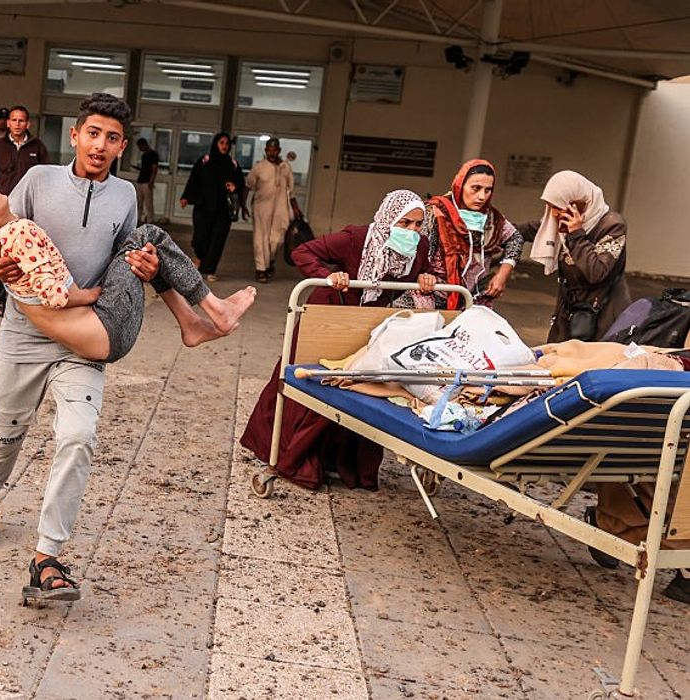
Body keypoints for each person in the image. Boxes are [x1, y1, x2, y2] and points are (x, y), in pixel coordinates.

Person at [0, 93, 161, 603]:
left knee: (79, 435)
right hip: (26, 332)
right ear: (75, 135)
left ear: (121, 147)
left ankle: (47, 556)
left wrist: (146, 269)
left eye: (112, 138)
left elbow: (123, 259)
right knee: (7, 430)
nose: (100, 145)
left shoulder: (125, 196)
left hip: (82, 333)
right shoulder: (39, 180)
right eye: (93, 133)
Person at [0, 131, 255, 362]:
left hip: (101, 333)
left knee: (143, 247)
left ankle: (192, 323)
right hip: (107, 327)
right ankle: (210, 311)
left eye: (112, 137)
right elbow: (57, 296)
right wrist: (93, 293)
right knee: (147, 236)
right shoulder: (19, 234)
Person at [240, 190, 436, 490]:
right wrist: (328, 275)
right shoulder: (355, 238)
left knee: (355, 385)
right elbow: (303, 252)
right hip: (329, 312)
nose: (412, 232)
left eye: (417, 225)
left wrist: (426, 278)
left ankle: (339, 460)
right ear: (388, 219)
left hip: (369, 321)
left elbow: (423, 271)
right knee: (308, 380)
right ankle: (283, 451)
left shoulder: (420, 246)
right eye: (405, 223)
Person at [396, 159, 522, 311]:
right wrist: (420, 275)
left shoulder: (492, 220)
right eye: (476, 188)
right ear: (460, 185)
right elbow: (413, 250)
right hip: (430, 294)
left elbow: (515, 239)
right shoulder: (436, 213)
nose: (482, 196)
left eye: (487, 190)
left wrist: (502, 275)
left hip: (475, 298)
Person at [526, 170, 631, 343]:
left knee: (590, 366)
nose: (553, 214)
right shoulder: (560, 223)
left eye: (558, 207)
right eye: (550, 206)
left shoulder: (612, 225)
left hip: (603, 318)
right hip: (569, 314)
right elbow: (532, 230)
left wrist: (576, 234)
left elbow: (597, 272)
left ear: (579, 203)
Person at [0, 105, 52, 318]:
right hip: (3, 209)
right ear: (8, 123)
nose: (17, 124)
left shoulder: (38, 147)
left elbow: (47, 178)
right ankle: (0, 300)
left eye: (21, 120)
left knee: (26, 253)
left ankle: (26, 298)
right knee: (1, 253)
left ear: (28, 124)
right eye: (14, 120)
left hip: (28, 212)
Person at [179, 132, 245, 282]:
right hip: (204, 207)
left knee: (217, 240)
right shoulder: (205, 161)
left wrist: (235, 187)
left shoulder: (232, 164)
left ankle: (209, 270)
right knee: (199, 238)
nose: (224, 146)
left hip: (223, 210)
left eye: (227, 144)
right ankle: (200, 257)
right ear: (216, 144)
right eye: (221, 143)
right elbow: (194, 179)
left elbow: (241, 183)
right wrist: (186, 197)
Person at [245, 137, 300, 283]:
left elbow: (291, 191)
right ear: (265, 150)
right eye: (269, 150)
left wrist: (295, 209)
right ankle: (261, 269)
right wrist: (243, 206)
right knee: (260, 238)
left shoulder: (285, 167)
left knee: (278, 239)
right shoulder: (259, 167)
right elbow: (248, 185)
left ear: (279, 150)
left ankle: (269, 261)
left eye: (274, 150)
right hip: (261, 207)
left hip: (280, 207)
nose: (272, 152)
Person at [134, 137, 159, 225]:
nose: (140, 149)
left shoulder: (153, 154)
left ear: (144, 145)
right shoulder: (144, 155)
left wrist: (151, 181)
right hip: (141, 179)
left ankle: (150, 219)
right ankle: (138, 218)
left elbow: (154, 169)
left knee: (148, 202)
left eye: (140, 147)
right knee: (139, 201)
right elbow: (145, 168)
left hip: (147, 181)